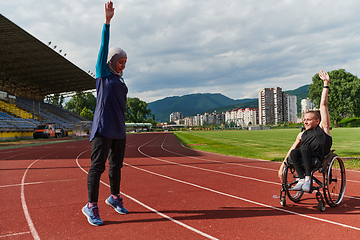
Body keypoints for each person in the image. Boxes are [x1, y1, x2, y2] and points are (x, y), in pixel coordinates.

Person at [82, 1, 128, 226]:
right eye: (120, 62)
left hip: (119, 129)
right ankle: (91, 206)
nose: (123, 66)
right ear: (111, 61)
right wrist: (107, 22)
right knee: (97, 167)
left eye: (125, 62)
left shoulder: (120, 80)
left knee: (116, 166)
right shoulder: (103, 74)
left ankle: (115, 197)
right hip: (103, 128)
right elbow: (104, 45)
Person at [278, 70, 332, 192]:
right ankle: (302, 179)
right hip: (304, 157)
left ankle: (308, 179)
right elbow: (291, 150)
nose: (305, 122)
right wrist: (282, 166)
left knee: (304, 148)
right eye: (304, 119)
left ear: (317, 121)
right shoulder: (301, 134)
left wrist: (326, 83)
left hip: (318, 157)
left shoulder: (323, 127)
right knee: (294, 153)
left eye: (309, 120)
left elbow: (323, 104)